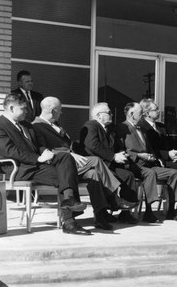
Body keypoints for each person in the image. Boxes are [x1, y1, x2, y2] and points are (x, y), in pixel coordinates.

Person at [0, 93, 90, 235]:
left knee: (65, 158)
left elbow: (39, 145)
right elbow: (10, 152)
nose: (27, 112)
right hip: (19, 169)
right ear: (11, 108)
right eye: (23, 109)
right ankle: (69, 220)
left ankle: (68, 203)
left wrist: (46, 153)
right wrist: (38, 159)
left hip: (37, 166)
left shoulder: (27, 125)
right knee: (66, 175)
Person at [32, 96, 138, 231]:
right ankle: (114, 198)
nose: (61, 113)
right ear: (53, 111)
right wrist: (70, 154)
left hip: (72, 161)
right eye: (60, 110)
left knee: (94, 174)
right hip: (59, 164)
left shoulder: (56, 125)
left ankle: (100, 217)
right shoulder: (37, 126)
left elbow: (70, 145)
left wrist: (75, 151)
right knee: (96, 160)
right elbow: (44, 150)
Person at [115, 102, 177, 222]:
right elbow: (120, 150)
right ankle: (149, 212)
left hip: (148, 164)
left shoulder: (142, 129)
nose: (143, 115)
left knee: (174, 173)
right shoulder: (121, 128)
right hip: (134, 165)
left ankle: (171, 210)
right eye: (140, 113)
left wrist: (154, 157)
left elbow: (150, 148)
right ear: (132, 114)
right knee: (150, 174)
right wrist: (138, 155)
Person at [78, 102, 140, 225]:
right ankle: (105, 210)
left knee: (128, 175)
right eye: (109, 113)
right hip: (94, 165)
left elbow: (117, 146)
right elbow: (92, 145)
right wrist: (113, 156)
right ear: (98, 115)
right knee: (102, 176)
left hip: (109, 165)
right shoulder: (91, 125)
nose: (111, 115)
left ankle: (125, 213)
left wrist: (121, 153)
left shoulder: (109, 129)